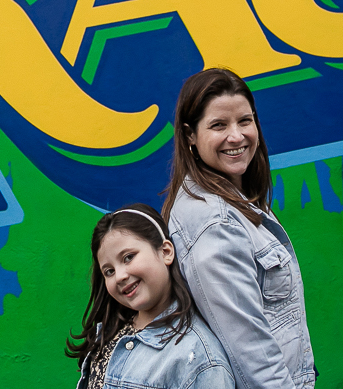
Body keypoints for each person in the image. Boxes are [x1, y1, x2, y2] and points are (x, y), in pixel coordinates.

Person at [163, 68, 317, 389]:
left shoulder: (236, 200)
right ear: (190, 135)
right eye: (218, 125)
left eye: (245, 121)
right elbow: (251, 356)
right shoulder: (216, 224)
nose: (236, 136)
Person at [67, 202, 235, 389]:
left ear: (166, 252)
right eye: (109, 271)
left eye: (128, 257)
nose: (120, 276)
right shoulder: (111, 332)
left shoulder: (199, 360)